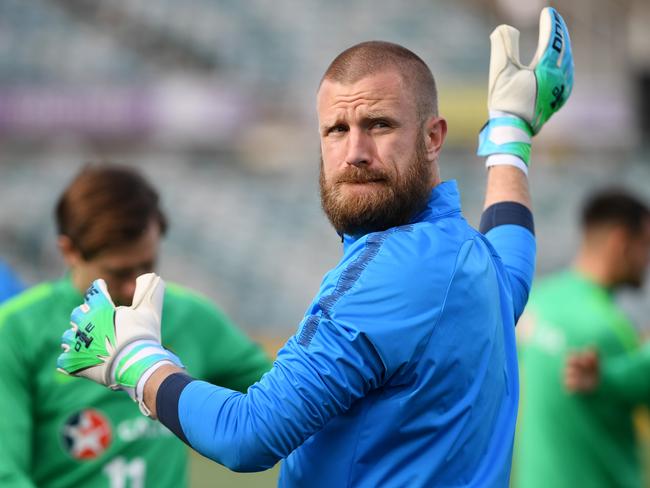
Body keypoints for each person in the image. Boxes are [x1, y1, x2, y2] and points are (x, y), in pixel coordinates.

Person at [57, 7, 573, 487]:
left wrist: (136, 362)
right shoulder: (465, 255)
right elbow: (514, 266)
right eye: (336, 130)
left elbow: (249, 435)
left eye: (379, 125)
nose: (355, 152)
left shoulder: (389, 274)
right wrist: (510, 133)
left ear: (433, 137)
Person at [0, 164, 272, 487]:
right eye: (118, 272)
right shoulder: (16, 330)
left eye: (147, 266)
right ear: (69, 251)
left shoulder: (192, 318)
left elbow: (282, 402)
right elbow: (7, 474)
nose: (135, 286)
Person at [514, 189, 650, 488]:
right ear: (620, 243)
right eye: (645, 245)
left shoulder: (535, 303)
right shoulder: (608, 328)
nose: (647, 260)